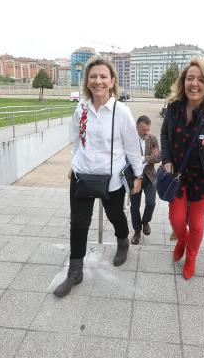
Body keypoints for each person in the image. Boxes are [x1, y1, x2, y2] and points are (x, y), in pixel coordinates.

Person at [54, 56, 144, 297]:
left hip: (111, 178)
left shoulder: (121, 111)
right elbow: (76, 140)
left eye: (103, 76)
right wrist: (73, 163)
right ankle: (75, 271)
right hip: (82, 176)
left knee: (116, 216)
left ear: (112, 80)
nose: (98, 81)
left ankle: (123, 241)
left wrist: (138, 176)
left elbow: (133, 149)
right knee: (79, 223)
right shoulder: (81, 108)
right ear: (87, 81)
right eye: (93, 76)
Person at [160, 57, 204, 279]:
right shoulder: (173, 108)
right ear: (183, 82)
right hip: (178, 177)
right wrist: (166, 159)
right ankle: (182, 240)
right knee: (177, 220)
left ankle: (191, 257)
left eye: (201, 79)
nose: (194, 83)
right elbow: (164, 135)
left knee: (196, 223)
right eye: (190, 78)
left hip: (203, 180)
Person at [129, 115, 161, 245]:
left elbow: (158, 157)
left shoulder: (152, 138)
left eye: (148, 129)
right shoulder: (130, 140)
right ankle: (137, 231)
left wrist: (143, 158)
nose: (146, 132)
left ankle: (145, 221)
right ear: (137, 127)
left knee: (151, 202)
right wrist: (148, 157)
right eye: (143, 130)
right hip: (134, 178)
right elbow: (129, 159)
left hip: (150, 177)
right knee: (134, 206)